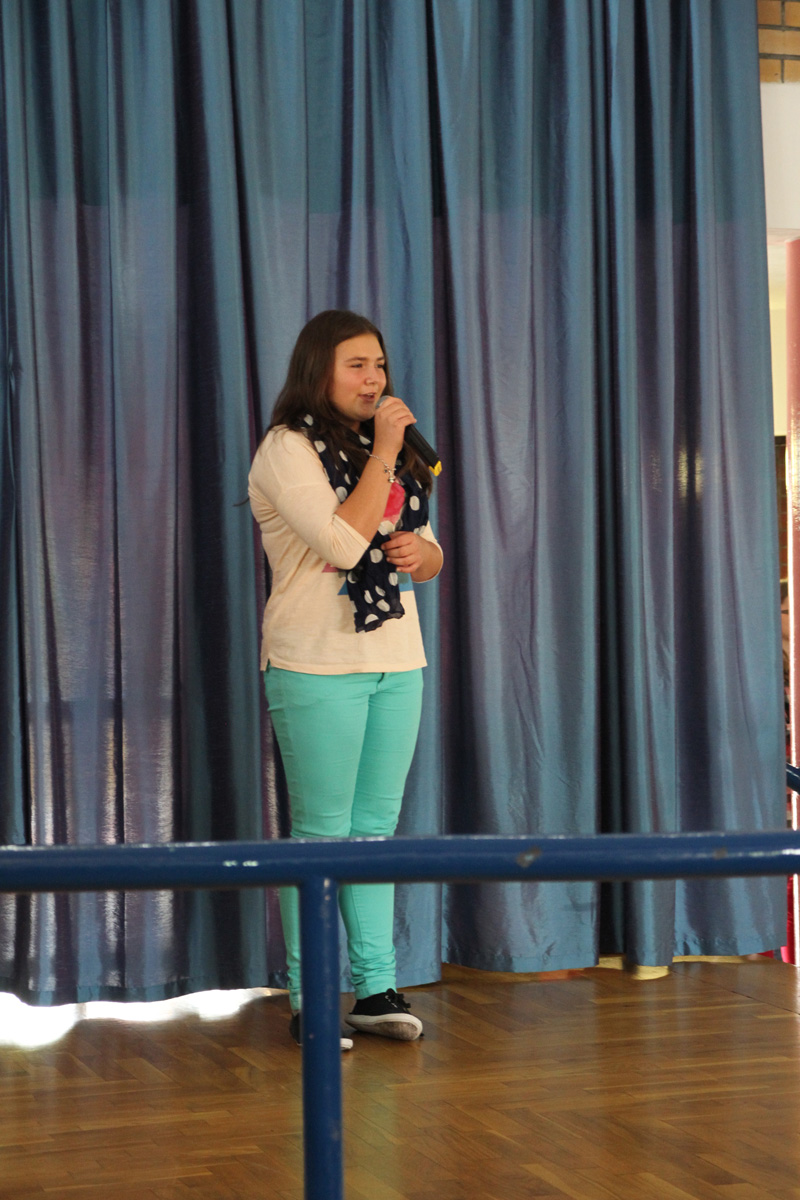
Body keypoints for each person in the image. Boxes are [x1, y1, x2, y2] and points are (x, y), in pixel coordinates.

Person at [248, 310, 443, 1049]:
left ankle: (376, 988)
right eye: (357, 365)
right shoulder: (287, 448)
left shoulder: (388, 453)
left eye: (380, 366)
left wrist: (426, 557)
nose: (374, 380)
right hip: (315, 661)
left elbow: (427, 549)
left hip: (397, 656)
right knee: (322, 833)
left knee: (375, 831)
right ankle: (312, 998)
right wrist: (385, 452)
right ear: (318, 370)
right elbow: (340, 540)